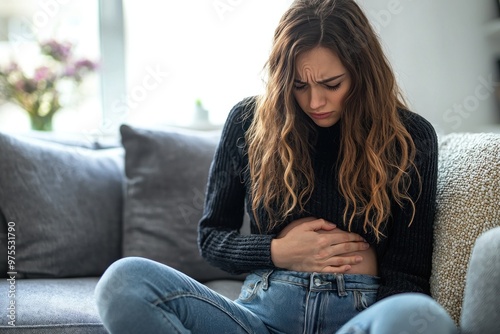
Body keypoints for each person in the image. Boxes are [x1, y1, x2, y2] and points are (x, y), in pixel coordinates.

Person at [95, 0, 459, 333]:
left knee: (422, 315)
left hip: (357, 318)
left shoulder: (410, 136)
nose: (315, 101)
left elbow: (408, 274)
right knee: (124, 280)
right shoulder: (247, 121)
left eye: (332, 84)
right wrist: (279, 251)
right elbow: (212, 238)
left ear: (363, 73)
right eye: (299, 85)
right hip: (262, 316)